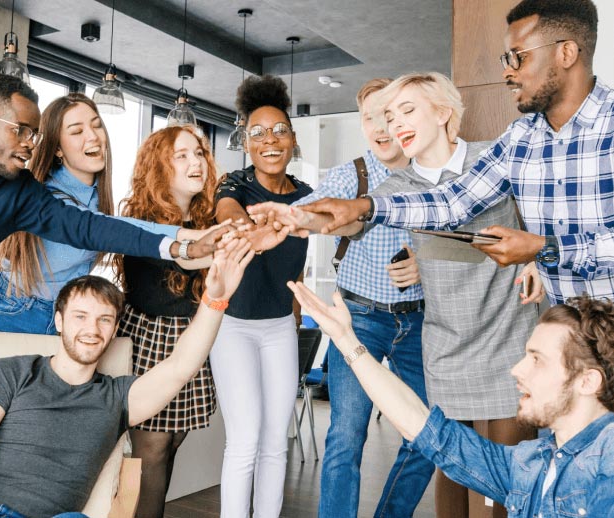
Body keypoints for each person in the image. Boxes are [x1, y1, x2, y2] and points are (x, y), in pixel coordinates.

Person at [252, 72, 538, 518]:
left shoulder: (491, 161)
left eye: (406, 111)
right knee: (453, 477)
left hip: (509, 341)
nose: (393, 125)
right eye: (387, 115)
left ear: (444, 112)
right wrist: (295, 219)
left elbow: (537, 218)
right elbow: (349, 220)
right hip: (446, 347)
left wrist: (538, 257)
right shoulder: (396, 188)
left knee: (507, 486)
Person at [297, 0, 610, 307]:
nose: (507, 73)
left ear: (566, 53)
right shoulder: (521, 138)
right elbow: (452, 203)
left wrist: (544, 249)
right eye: (505, 60)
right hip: (568, 332)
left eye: (518, 58)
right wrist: (363, 207)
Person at [0, 235, 254, 518]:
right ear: (59, 321)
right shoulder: (10, 372)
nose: (91, 330)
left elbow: (181, 367)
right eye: (80, 316)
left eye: (104, 320)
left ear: (115, 330)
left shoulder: (117, 398)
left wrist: (215, 299)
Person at [0, 74, 224, 339]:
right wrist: (184, 243)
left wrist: (184, 243)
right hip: (14, 314)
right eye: (20, 130)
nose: (30, 143)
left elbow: (95, 227)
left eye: (34, 133)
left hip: (59, 319)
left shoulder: (22, 194)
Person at [254, 78, 432, 517]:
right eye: (371, 117)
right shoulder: (349, 175)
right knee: (346, 438)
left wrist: (425, 261)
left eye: (390, 114)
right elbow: (313, 211)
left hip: (421, 324)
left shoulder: (431, 175)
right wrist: (285, 220)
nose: (382, 126)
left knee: (429, 437)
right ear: (362, 123)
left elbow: (461, 241)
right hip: (359, 319)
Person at [289, 281, 614, 517]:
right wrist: (347, 341)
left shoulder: (606, 471)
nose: (517, 369)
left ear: (587, 381)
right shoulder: (529, 464)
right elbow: (426, 428)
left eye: (537, 359)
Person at [211, 74, 312, 517]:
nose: (269, 139)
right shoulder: (234, 184)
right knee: (246, 439)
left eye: (279, 130)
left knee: (276, 443)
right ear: (246, 143)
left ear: (292, 140)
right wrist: (251, 228)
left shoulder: (307, 198)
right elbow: (227, 212)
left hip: (278, 329)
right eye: (257, 133)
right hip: (233, 327)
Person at [113, 125, 219, 518]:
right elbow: (186, 258)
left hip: (192, 338)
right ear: (160, 166)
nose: (196, 162)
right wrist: (231, 246)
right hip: (150, 338)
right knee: (151, 450)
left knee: (171, 442)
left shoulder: (206, 214)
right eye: (182, 155)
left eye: (199, 153)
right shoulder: (141, 219)